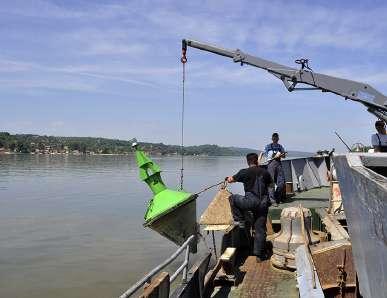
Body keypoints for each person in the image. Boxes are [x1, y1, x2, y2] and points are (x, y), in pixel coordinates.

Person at [226, 153, 273, 261]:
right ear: (257, 161)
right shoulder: (265, 172)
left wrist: (227, 178)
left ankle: (239, 220)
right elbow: (271, 185)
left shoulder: (244, 172)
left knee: (233, 198)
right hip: (263, 204)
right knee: (260, 229)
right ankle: (258, 255)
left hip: (249, 202)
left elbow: (231, 180)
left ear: (248, 162)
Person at [264, 133, 286, 206]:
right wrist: (274, 155)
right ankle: (272, 201)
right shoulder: (268, 146)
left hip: (279, 164)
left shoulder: (280, 147)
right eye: (274, 138)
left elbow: (284, 156)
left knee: (281, 183)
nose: (275, 139)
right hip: (271, 164)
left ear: (278, 139)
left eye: (276, 138)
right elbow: (266, 155)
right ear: (272, 139)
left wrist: (282, 155)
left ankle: (277, 197)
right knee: (271, 183)